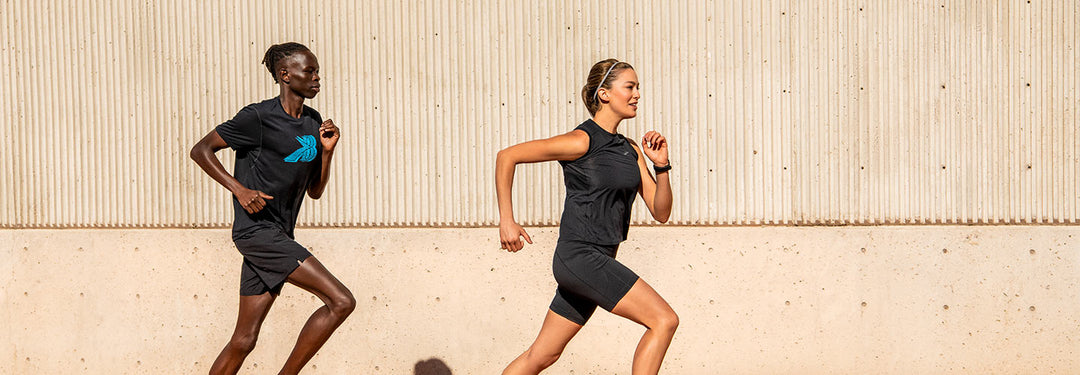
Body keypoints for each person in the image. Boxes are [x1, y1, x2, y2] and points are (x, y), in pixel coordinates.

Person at [497, 59, 678, 375]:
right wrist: (507, 220)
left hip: (597, 259)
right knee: (663, 320)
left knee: (541, 357)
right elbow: (507, 156)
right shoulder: (583, 141)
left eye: (637, 88)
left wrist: (661, 166)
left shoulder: (631, 150)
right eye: (629, 87)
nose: (637, 94)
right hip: (580, 258)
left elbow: (661, 212)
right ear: (605, 94)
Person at [189, 42, 355, 375]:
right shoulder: (258, 118)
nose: (317, 78)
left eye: (317, 71)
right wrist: (239, 189)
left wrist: (326, 152)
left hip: (279, 233)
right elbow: (201, 150)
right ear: (285, 74)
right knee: (341, 301)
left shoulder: (313, 121)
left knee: (244, 339)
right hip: (257, 233)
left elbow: (315, 191)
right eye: (309, 71)